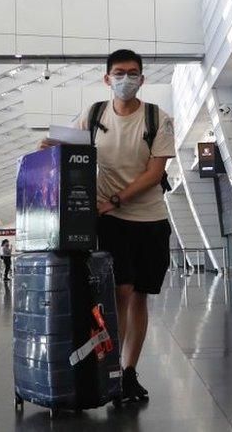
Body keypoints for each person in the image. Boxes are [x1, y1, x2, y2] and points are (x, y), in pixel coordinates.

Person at [40, 49, 174, 403]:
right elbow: (71, 143)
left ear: (142, 79)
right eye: (119, 72)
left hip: (149, 218)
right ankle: (112, 368)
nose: (125, 79)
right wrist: (47, 145)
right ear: (107, 78)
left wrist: (116, 199)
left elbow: (154, 173)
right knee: (122, 291)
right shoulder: (95, 113)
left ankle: (129, 371)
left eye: (132, 73)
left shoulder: (158, 118)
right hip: (110, 220)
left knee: (141, 295)